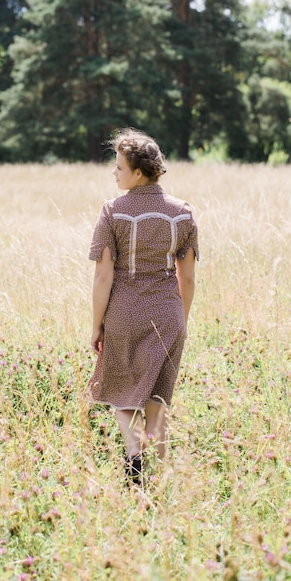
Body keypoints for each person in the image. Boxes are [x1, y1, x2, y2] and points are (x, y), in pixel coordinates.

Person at [87, 128, 198, 486]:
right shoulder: (182, 214)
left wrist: (96, 325)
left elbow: (103, 276)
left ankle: (134, 460)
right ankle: (161, 480)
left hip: (123, 315)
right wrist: (181, 319)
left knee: (122, 392)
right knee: (158, 398)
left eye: (119, 167)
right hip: (168, 316)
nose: (115, 174)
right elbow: (189, 279)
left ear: (138, 173)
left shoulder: (113, 211)